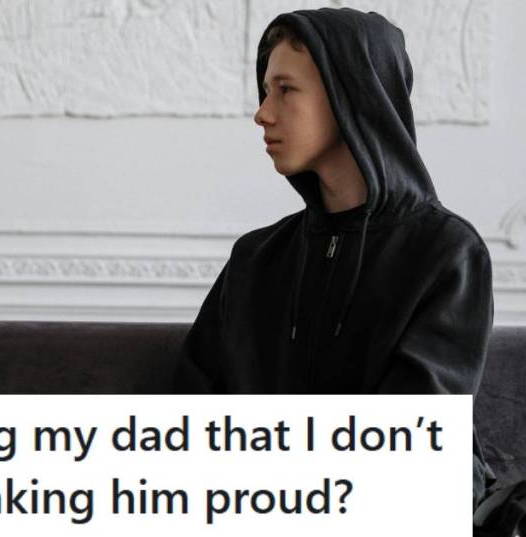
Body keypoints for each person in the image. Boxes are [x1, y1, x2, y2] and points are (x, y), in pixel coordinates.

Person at [176, 8, 494, 508]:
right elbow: (190, 416)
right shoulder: (257, 257)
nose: (262, 111)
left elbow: (409, 445)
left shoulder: (446, 252)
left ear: (352, 97)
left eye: (285, 89)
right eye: (264, 91)